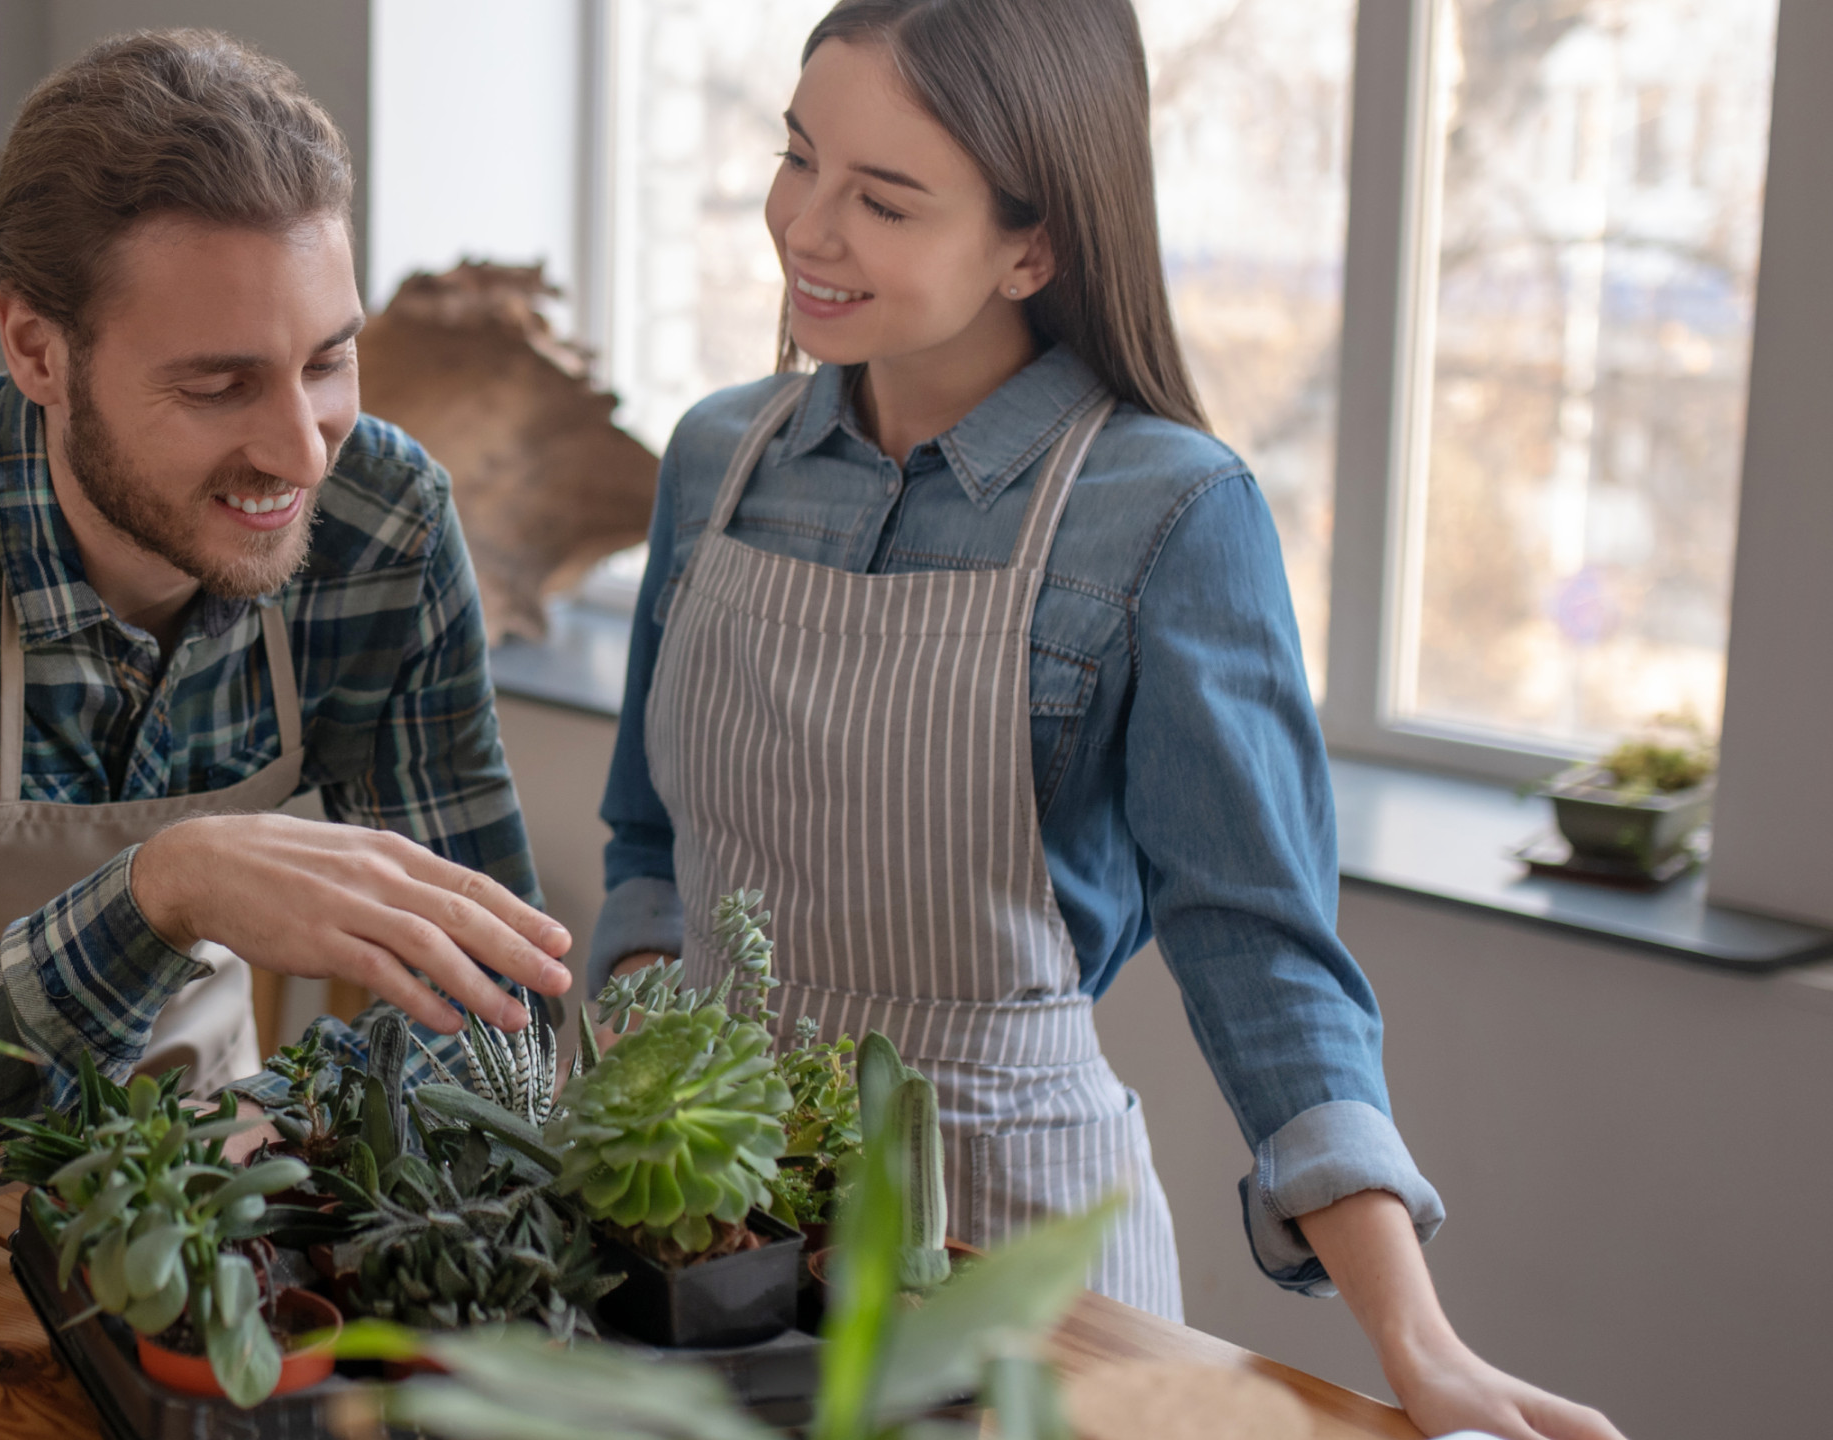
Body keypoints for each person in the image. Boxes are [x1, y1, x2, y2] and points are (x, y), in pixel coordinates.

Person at [589, 4, 1621, 1437]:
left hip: (1018, 1253)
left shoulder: (1170, 513)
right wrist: (647, 1099)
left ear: (1036, 244)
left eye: (883, 198)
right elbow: (651, 840)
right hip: (713, 1238)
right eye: (797, 158)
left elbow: (1264, 959)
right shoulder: (717, 459)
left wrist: (1420, 1345)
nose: (805, 229)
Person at [0, 29, 570, 1246]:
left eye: (328, 360)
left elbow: (498, 1011)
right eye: (219, 386)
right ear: (36, 349)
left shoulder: (382, 524)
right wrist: (160, 892)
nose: (301, 449)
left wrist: (312, 1139)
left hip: (210, 1202)